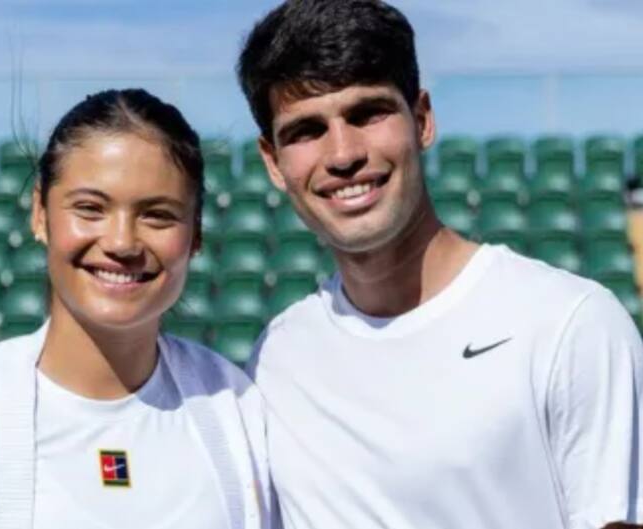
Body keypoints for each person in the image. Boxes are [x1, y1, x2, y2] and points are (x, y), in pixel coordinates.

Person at [237, 1, 643, 528]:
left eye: (366, 113)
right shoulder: (277, 356)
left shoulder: (570, 324)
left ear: (422, 119)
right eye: (306, 130)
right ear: (272, 161)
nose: (342, 154)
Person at [0, 88, 277, 529]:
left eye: (157, 215)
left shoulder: (236, 408)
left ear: (196, 234)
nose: (122, 242)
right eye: (90, 209)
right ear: (40, 213)